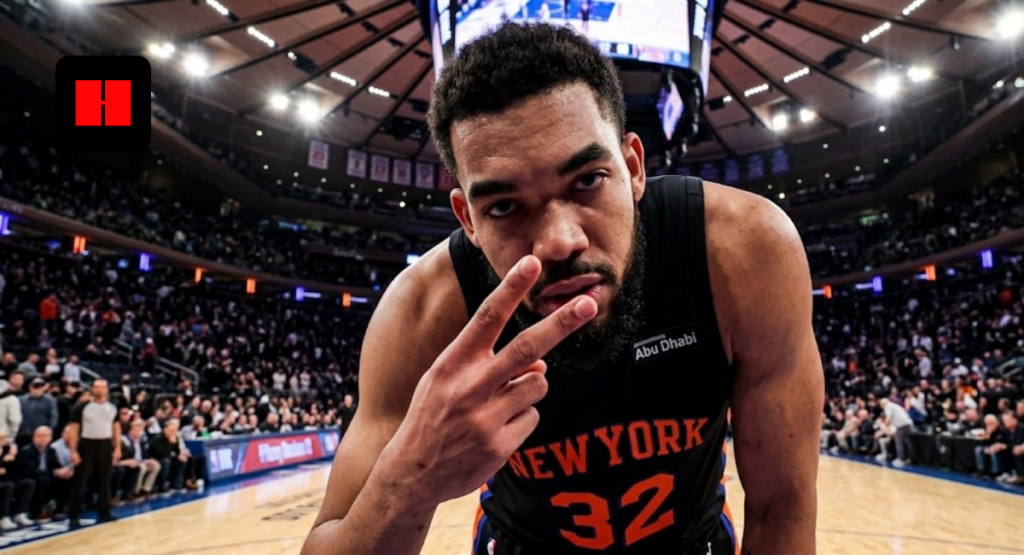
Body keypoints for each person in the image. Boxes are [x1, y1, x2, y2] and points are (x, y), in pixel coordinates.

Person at [303, 23, 822, 555]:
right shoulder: (424, 310)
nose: (559, 241)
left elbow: (782, 507)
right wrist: (407, 483)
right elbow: (326, 540)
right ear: (468, 220)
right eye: (504, 207)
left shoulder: (741, 250)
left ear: (633, 168)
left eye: (588, 180)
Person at [67, 379, 120, 528]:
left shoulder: (112, 407)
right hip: (87, 444)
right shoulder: (82, 407)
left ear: (107, 389)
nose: (99, 390)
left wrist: (117, 448)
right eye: (96, 387)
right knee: (81, 481)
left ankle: (104, 513)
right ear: (92, 389)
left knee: (105, 481)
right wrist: (73, 451)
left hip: (105, 444)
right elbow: (73, 429)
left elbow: (116, 428)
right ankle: (74, 515)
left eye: (102, 387)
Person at [14, 426, 64, 520]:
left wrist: (64, 471)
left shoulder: (51, 451)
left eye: (46, 436)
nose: (43, 438)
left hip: (45, 475)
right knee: (42, 481)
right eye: (40, 436)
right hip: (29, 477)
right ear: (34, 437)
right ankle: (36, 511)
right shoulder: (27, 451)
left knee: (65, 478)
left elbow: (56, 466)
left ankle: (60, 509)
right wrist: (53, 472)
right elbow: (30, 471)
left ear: (51, 438)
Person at [0, 429, 34, 531]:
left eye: (4, 438)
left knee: (28, 483)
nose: (3, 441)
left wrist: (15, 455)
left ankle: (20, 513)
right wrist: (3, 461)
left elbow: (21, 468)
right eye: (1, 439)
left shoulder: (7, 450)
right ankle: (2, 517)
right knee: (8, 486)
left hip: (8, 479)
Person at [119, 420, 161, 498]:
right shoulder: (125, 439)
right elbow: (127, 455)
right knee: (142, 467)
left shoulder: (141, 440)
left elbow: (144, 454)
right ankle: (135, 491)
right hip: (130, 462)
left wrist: (149, 459)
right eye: (138, 429)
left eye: (142, 429)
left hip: (141, 461)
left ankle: (146, 489)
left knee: (156, 465)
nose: (140, 432)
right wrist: (142, 461)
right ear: (132, 429)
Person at [17, 377, 58, 448]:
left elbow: (53, 417)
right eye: (35, 386)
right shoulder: (21, 400)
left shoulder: (49, 400)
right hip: (23, 433)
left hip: (41, 435)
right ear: (30, 387)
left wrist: (47, 432)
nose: (38, 389)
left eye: (40, 387)